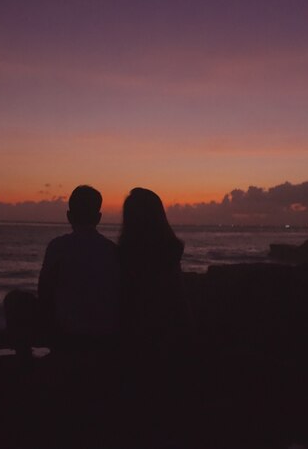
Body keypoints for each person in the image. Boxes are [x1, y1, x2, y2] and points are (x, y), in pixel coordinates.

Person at [118, 187, 193, 447]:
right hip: (168, 341)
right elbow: (179, 302)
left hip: (133, 343)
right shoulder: (168, 253)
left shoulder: (124, 257)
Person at [38, 184, 121, 350]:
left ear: (69, 216)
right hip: (105, 337)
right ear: (98, 218)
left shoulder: (57, 247)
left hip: (66, 335)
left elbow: (44, 292)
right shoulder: (113, 250)